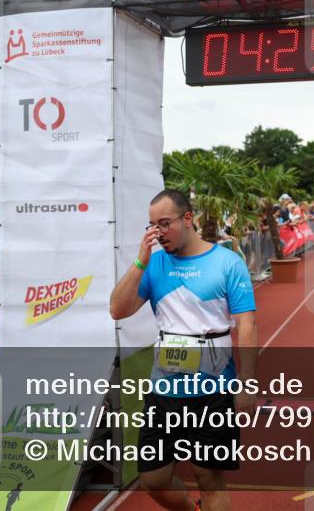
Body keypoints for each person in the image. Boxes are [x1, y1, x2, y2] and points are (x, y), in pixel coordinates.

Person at [109, 188, 257, 511]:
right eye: (152, 226)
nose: (157, 233)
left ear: (188, 218)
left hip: (213, 388)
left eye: (164, 223)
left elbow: (246, 325)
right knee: (153, 478)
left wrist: (248, 383)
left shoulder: (227, 263)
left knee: (208, 477)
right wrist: (139, 262)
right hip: (163, 388)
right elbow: (117, 310)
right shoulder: (154, 264)